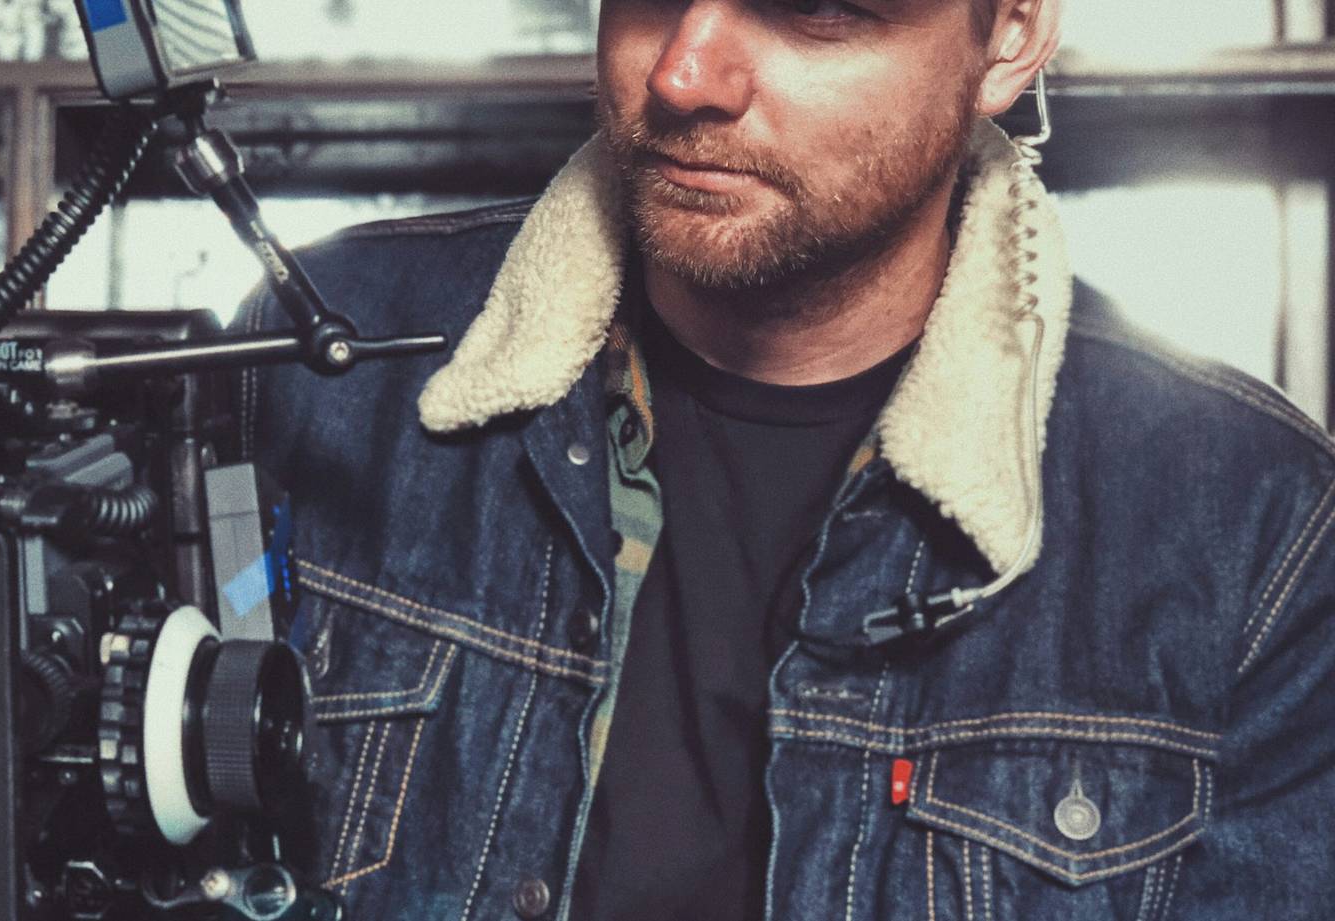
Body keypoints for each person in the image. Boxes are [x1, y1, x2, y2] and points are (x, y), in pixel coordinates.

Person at [233, 0, 1335, 918]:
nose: (683, 74)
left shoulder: (1253, 526)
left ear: (1007, 38)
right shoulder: (325, 354)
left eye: (812, 12)